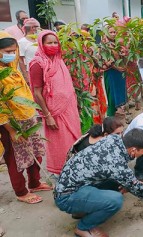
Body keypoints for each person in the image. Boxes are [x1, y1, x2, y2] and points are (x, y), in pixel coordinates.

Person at [54, 128, 143, 237]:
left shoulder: (114, 138)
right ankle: (83, 228)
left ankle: (83, 209)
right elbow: (138, 190)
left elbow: (129, 181)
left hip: (72, 183)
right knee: (115, 200)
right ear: (133, 149)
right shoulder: (116, 164)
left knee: (119, 184)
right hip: (66, 197)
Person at [0, 31, 52, 204]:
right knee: (16, 159)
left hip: (28, 119)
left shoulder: (11, 69)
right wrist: (12, 130)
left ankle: (35, 182)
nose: (12, 55)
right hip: (12, 124)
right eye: (7, 51)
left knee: (35, 151)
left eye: (14, 51)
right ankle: (21, 192)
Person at [29, 30, 82, 177]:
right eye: (49, 43)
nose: (53, 45)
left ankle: (74, 170)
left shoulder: (59, 61)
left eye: (55, 42)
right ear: (41, 44)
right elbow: (37, 93)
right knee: (61, 143)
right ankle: (62, 173)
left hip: (69, 109)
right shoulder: (37, 64)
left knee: (73, 140)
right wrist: (47, 115)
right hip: (54, 112)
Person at [100, 26, 128, 118]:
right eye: (110, 32)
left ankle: (119, 110)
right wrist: (117, 67)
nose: (113, 34)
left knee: (120, 90)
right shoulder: (104, 45)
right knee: (112, 92)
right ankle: (111, 114)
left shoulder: (118, 43)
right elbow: (103, 60)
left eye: (114, 32)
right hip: (111, 72)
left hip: (120, 71)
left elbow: (124, 55)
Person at [18, 18, 40, 83]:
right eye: (38, 27)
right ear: (33, 28)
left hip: (41, 70)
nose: (39, 30)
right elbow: (20, 60)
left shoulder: (39, 41)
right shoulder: (22, 42)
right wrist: (26, 76)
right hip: (30, 72)